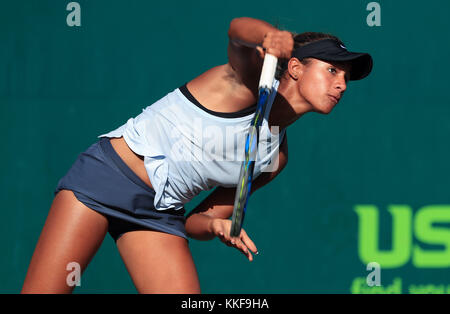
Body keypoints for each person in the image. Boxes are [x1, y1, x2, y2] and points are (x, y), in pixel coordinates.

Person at [21, 17, 372, 294]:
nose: (342, 84)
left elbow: (196, 221)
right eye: (331, 70)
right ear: (295, 68)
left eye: (345, 76)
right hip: (104, 180)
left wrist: (218, 225)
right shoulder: (243, 81)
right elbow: (237, 32)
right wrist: (269, 35)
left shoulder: (275, 158)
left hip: (158, 215)